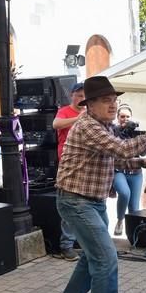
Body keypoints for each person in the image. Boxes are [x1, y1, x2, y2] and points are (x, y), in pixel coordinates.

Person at [56, 76, 146, 293]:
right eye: (106, 101)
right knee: (105, 260)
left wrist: (143, 161)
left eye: (114, 100)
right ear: (90, 105)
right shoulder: (88, 126)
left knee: (92, 255)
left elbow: (115, 156)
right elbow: (121, 148)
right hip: (76, 201)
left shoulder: (102, 126)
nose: (112, 105)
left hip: (90, 201)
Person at [52, 82, 86, 260]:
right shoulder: (65, 110)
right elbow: (56, 124)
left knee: (83, 203)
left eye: (84, 96)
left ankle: (80, 242)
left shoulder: (89, 112)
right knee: (69, 203)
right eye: (78, 95)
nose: (81, 99)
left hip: (84, 163)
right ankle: (66, 245)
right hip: (68, 163)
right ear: (72, 95)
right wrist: (78, 118)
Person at [112, 105, 143, 236]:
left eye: (127, 117)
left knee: (134, 208)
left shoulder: (136, 130)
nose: (125, 119)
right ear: (118, 118)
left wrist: (138, 137)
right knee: (124, 193)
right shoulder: (113, 130)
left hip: (135, 171)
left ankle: (133, 237)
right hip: (119, 170)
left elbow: (144, 151)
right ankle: (120, 220)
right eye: (122, 116)